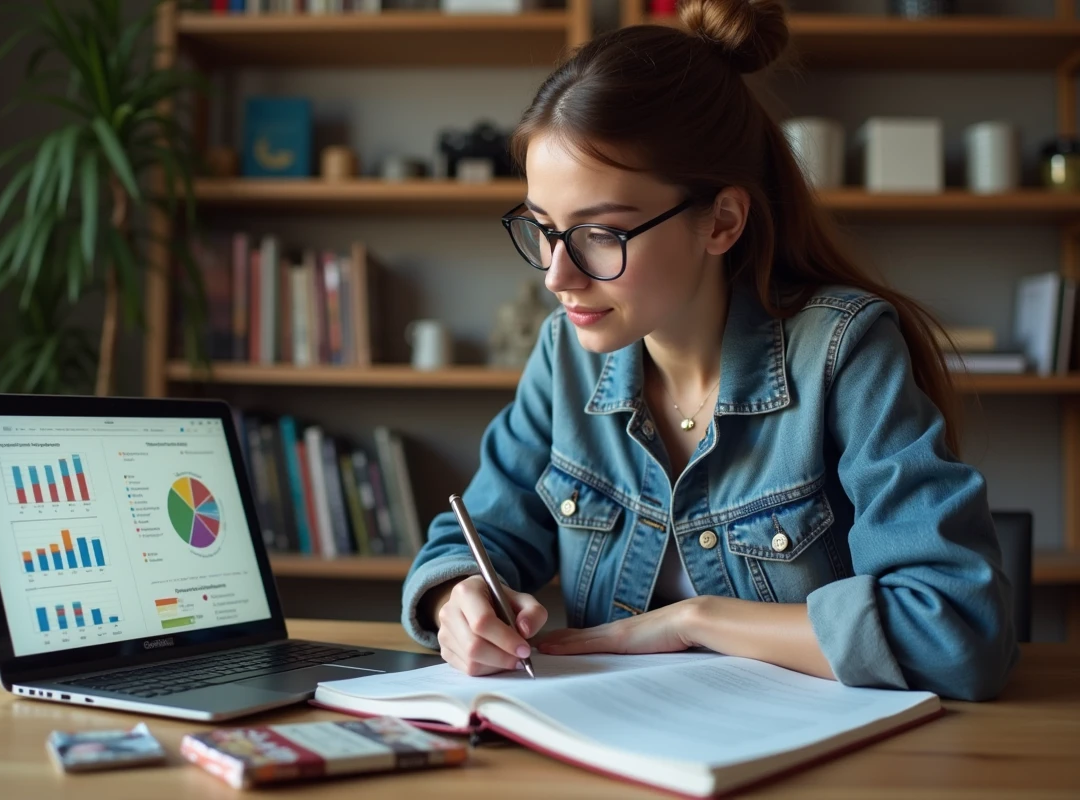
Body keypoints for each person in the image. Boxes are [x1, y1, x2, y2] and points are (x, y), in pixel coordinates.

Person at [400, 0, 1017, 701]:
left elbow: (958, 632)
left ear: (721, 220)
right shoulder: (565, 356)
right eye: (543, 228)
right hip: (620, 747)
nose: (555, 275)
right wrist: (460, 601)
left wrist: (695, 621)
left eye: (600, 234)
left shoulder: (843, 352)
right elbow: (471, 542)